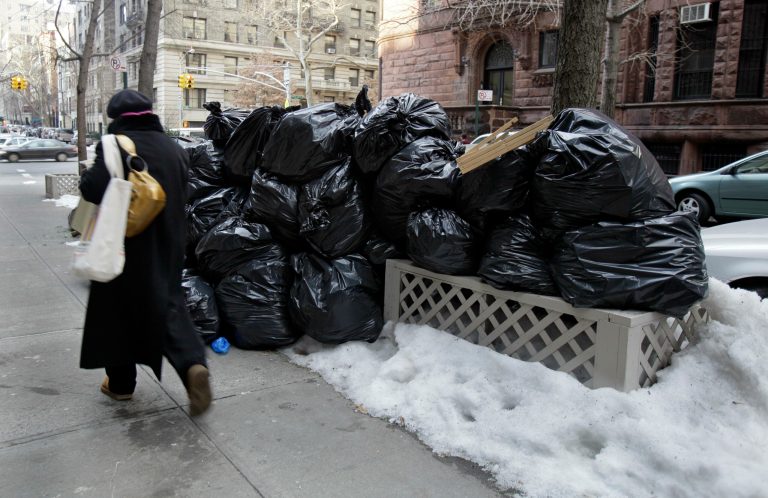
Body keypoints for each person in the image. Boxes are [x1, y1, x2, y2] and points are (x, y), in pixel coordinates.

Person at [78, 89, 212, 416]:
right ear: (149, 113)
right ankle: (192, 364)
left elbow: (92, 189)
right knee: (168, 305)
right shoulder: (174, 148)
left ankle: (121, 384)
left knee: (115, 313)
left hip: (123, 244)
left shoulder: (114, 145)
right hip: (167, 244)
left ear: (117, 118)